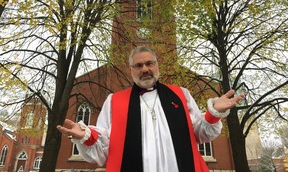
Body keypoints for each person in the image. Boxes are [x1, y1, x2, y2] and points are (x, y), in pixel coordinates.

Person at [57, 46, 244, 172]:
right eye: (138, 65)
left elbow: (199, 133)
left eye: (149, 63)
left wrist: (213, 114)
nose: (145, 69)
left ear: (157, 65)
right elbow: (103, 146)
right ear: (131, 70)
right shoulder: (114, 101)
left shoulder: (181, 94)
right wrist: (85, 137)